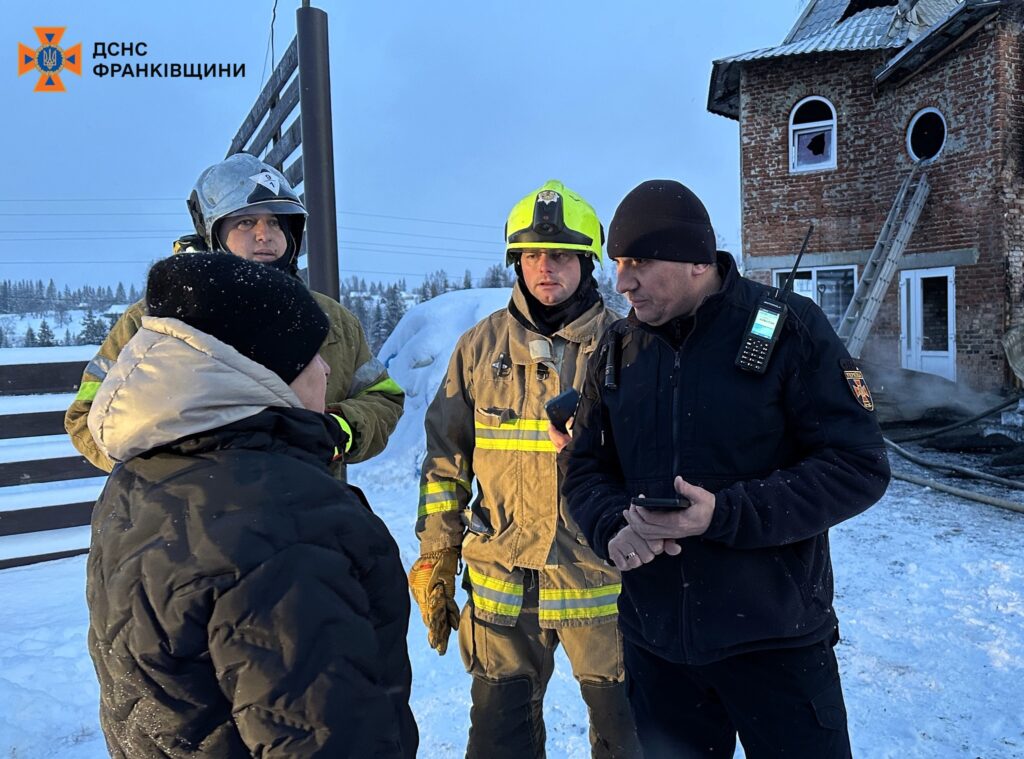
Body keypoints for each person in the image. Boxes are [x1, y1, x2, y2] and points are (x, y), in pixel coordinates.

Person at [563, 179, 891, 758]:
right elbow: (585, 469)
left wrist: (728, 513)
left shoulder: (789, 329)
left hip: (776, 645)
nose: (623, 281)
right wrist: (613, 526)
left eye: (639, 261)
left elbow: (857, 465)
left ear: (696, 260)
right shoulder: (618, 352)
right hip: (658, 650)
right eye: (618, 263)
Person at [85, 252, 418, 758]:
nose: (327, 369)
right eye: (310, 356)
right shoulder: (285, 525)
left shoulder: (143, 477)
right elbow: (325, 737)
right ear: (262, 372)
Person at [408, 181, 641, 758]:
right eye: (532, 254)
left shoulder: (627, 345)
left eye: (560, 254)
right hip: (504, 584)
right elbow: (444, 462)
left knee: (629, 737)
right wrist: (438, 553)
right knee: (497, 743)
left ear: (586, 262)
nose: (545, 267)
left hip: (601, 579)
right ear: (516, 260)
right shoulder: (477, 348)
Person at [65, 152, 403, 478]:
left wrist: (337, 430)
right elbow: (88, 418)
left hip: (310, 510)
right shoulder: (157, 321)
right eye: (245, 222)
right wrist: (176, 465)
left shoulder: (332, 319)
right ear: (212, 233)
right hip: (196, 517)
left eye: (275, 222)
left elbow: (383, 397)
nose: (264, 234)